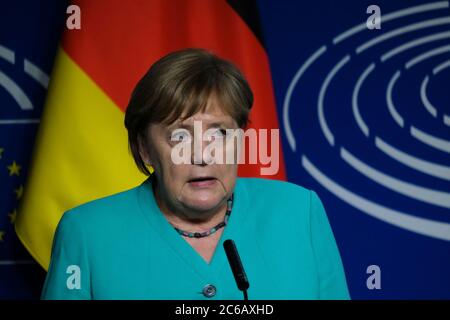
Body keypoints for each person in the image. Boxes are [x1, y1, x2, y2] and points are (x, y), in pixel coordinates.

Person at [41, 48, 350, 300]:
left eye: (219, 133)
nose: (202, 155)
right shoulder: (86, 233)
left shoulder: (299, 211)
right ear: (144, 148)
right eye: (180, 136)